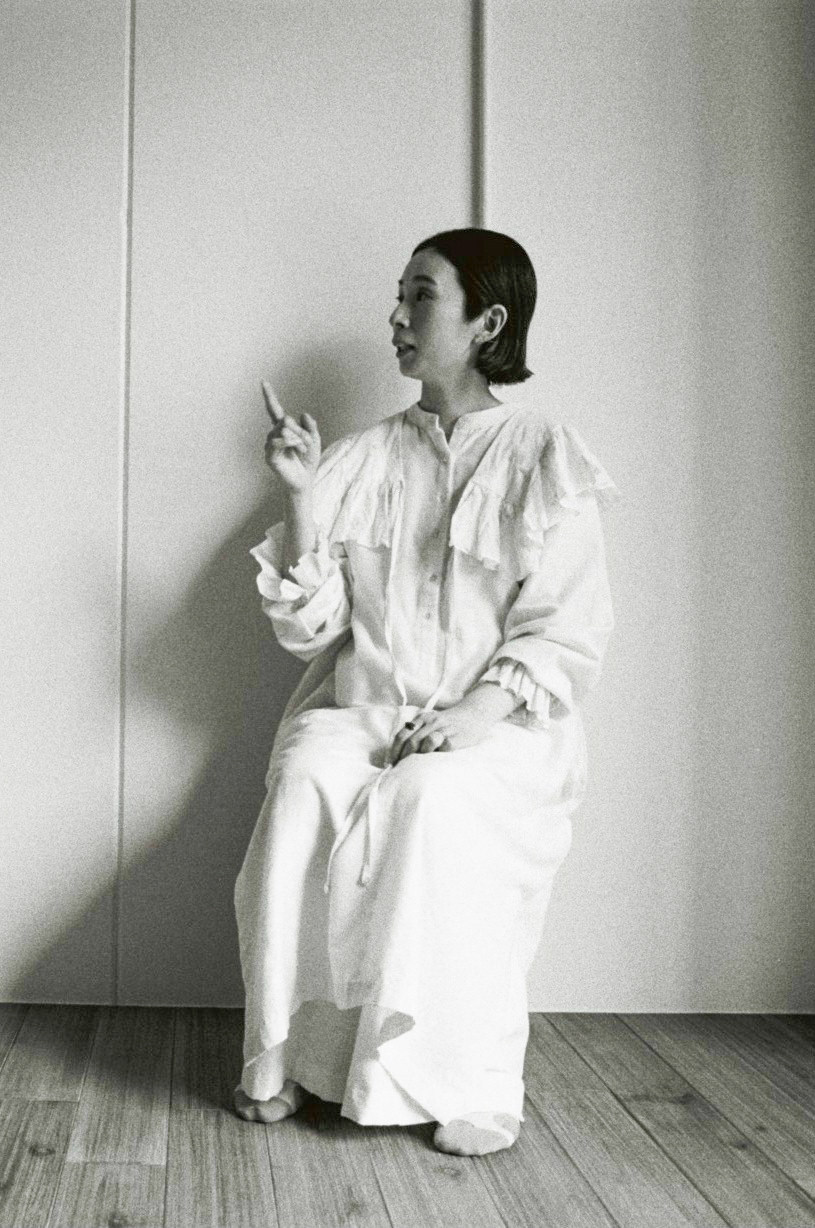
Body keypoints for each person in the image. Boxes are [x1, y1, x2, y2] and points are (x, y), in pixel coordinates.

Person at [234, 229, 615, 1156]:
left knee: (429, 797)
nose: (398, 316)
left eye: (422, 295)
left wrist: (471, 716)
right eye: (398, 296)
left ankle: (465, 1082)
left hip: (500, 727)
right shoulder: (362, 457)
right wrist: (300, 496)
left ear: (489, 321)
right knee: (305, 776)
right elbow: (310, 632)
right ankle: (298, 1063)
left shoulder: (544, 455)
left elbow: (565, 630)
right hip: (367, 712)